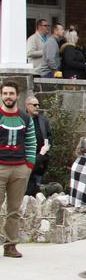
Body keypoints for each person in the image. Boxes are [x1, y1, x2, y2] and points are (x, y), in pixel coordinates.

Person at [0, 80, 36, 258]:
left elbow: (31, 143)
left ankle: (10, 245)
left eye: (11, 93)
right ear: (1, 95)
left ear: (17, 96)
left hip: (20, 169)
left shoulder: (25, 118)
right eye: (5, 93)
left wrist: (28, 166)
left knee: (14, 210)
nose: (8, 97)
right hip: (0, 168)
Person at [24, 96, 52, 198]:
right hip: (27, 160)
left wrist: (47, 147)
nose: (37, 107)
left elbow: (49, 136)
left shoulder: (43, 120)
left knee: (37, 187)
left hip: (41, 161)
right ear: (27, 106)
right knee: (27, 190)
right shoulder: (23, 120)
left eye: (38, 105)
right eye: (34, 105)